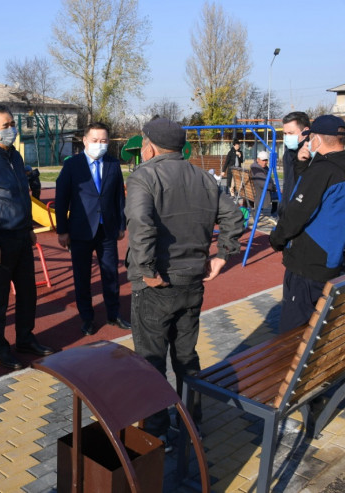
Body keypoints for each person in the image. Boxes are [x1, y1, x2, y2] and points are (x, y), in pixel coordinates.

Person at [125, 117, 244, 445]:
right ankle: (192, 423)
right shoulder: (203, 177)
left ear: (150, 147)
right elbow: (234, 217)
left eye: (143, 143)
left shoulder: (144, 175)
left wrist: (147, 270)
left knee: (151, 359)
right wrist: (222, 255)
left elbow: (140, 224)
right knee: (186, 355)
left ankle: (157, 430)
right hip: (191, 280)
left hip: (157, 283)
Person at [0, 106, 54, 370]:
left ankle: (25, 338)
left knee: (27, 294)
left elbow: (21, 195)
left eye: (12, 124)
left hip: (21, 236)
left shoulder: (14, 155)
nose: (11, 129)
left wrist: (29, 227)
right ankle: (0, 348)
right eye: (5, 126)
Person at [269, 115, 345, 333]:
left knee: (294, 330)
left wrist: (277, 238)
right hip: (329, 257)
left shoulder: (323, 170)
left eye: (310, 138)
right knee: (317, 325)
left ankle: (294, 357)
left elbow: (298, 211)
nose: (308, 142)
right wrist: (303, 164)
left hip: (308, 263)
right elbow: (315, 196)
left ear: (318, 140)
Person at [55, 122, 129, 336]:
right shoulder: (72, 165)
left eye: (104, 140)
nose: (99, 144)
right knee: (82, 276)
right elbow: (61, 199)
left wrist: (121, 224)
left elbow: (119, 197)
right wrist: (62, 230)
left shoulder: (113, 164)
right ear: (85, 141)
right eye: (95, 140)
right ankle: (87, 318)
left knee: (111, 274)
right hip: (81, 230)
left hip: (107, 230)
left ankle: (113, 314)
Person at [279, 112, 311, 216]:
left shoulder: (311, 154)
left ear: (305, 131)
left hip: (301, 213)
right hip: (287, 210)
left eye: (291, 133)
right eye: (285, 133)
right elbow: (288, 183)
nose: (287, 137)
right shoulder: (288, 152)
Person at [249, 150, 278, 219]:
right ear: (258, 160)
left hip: (258, 191)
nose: (265, 162)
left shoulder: (257, 168)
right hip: (261, 193)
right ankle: (274, 214)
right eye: (263, 160)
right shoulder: (257, 170)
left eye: (266, 160)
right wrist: (274, 188)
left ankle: (273, 213)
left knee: (278, 192)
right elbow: (264, 185)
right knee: (281, 195)